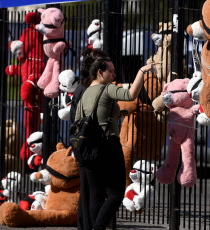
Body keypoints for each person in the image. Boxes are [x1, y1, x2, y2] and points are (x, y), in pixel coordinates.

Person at [75, 48, 154, 230]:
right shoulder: (107, 88)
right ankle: (99, 227)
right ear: (100, 72)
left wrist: (115, 116)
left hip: (86, 147)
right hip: (108, 146)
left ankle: (97, 226)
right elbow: (131, 95)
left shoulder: (85, 92)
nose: (114, 74)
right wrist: (142, 72)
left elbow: (83, 119)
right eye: (110, 71)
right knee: (116, 193)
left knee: (95, 195)